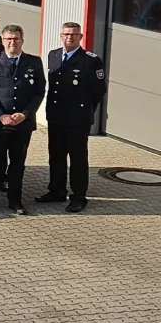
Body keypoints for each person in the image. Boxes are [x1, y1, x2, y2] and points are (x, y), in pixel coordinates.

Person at [0, 24, 45, 215]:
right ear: (2, 41)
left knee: (18, 164)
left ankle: (15, 201)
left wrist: (24, 113)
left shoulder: (33, 62)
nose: (12, 42)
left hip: (22, 123)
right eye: (8, 39)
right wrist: (1, 115)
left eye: (16, 39)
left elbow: (39, 92)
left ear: (22, 41)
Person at [41, 22, 106, 213]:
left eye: (74, 35)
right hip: (56, 117)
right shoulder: (53, 55)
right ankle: (57, 190)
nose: (69, 37)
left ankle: (78, 197)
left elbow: (98, 91)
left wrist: (85, 112)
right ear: (61, 36)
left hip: (78, 119)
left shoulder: (90, 61)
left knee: (77, 159)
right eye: (66, 34)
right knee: (56, 156)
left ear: (81, 37)